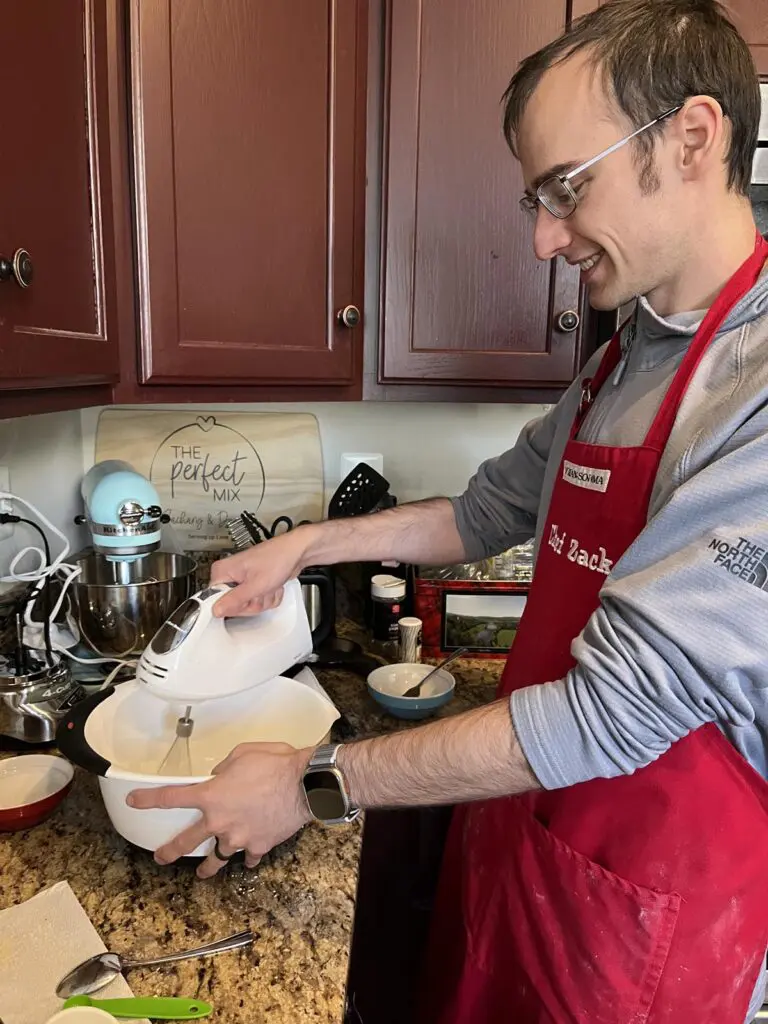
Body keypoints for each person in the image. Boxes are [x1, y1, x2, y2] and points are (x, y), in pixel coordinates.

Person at [128, 0, 768, 1019]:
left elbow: (613, 712)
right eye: (537, 202)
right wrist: (302, 548)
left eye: (568, 186)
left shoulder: (756, 390)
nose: (549, 238)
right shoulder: (625, 356)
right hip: (530, 827)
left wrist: (309, 780)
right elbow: (484, 511)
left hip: (652, 903)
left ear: (694, 136)